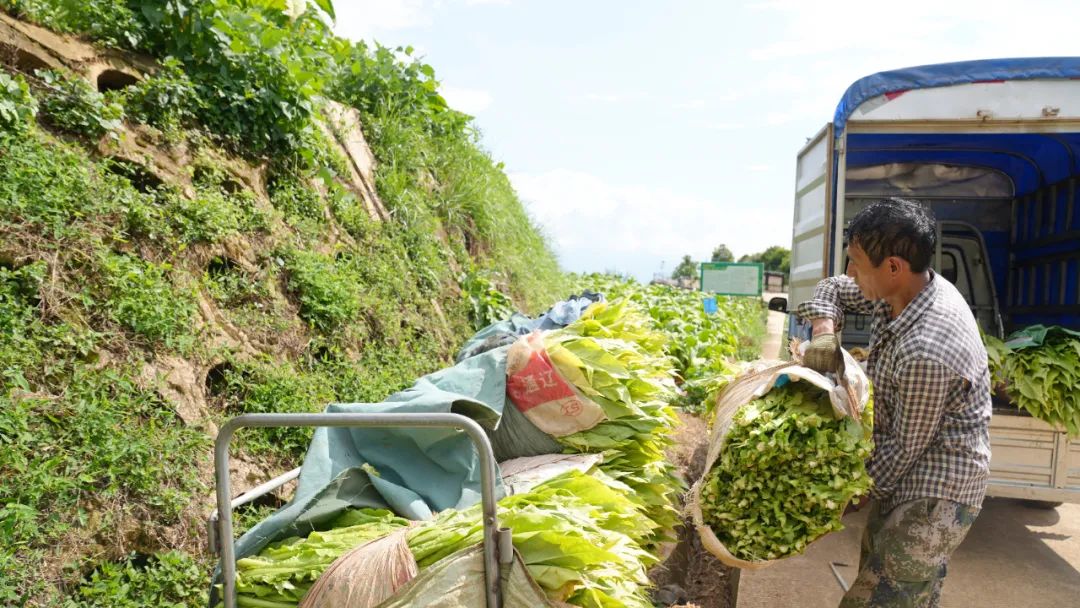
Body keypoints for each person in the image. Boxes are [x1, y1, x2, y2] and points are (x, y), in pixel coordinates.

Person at [795, 198, 991, 608]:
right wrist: (824, 332)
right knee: (900, 593)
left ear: (894, 267)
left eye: (855, 263)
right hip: (906, 477)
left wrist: (834, 501)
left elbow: (902, 448)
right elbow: (833, 288)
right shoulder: (905, 289)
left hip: (936, 493)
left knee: (877, 600)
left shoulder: (929, 348)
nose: (850, 272)